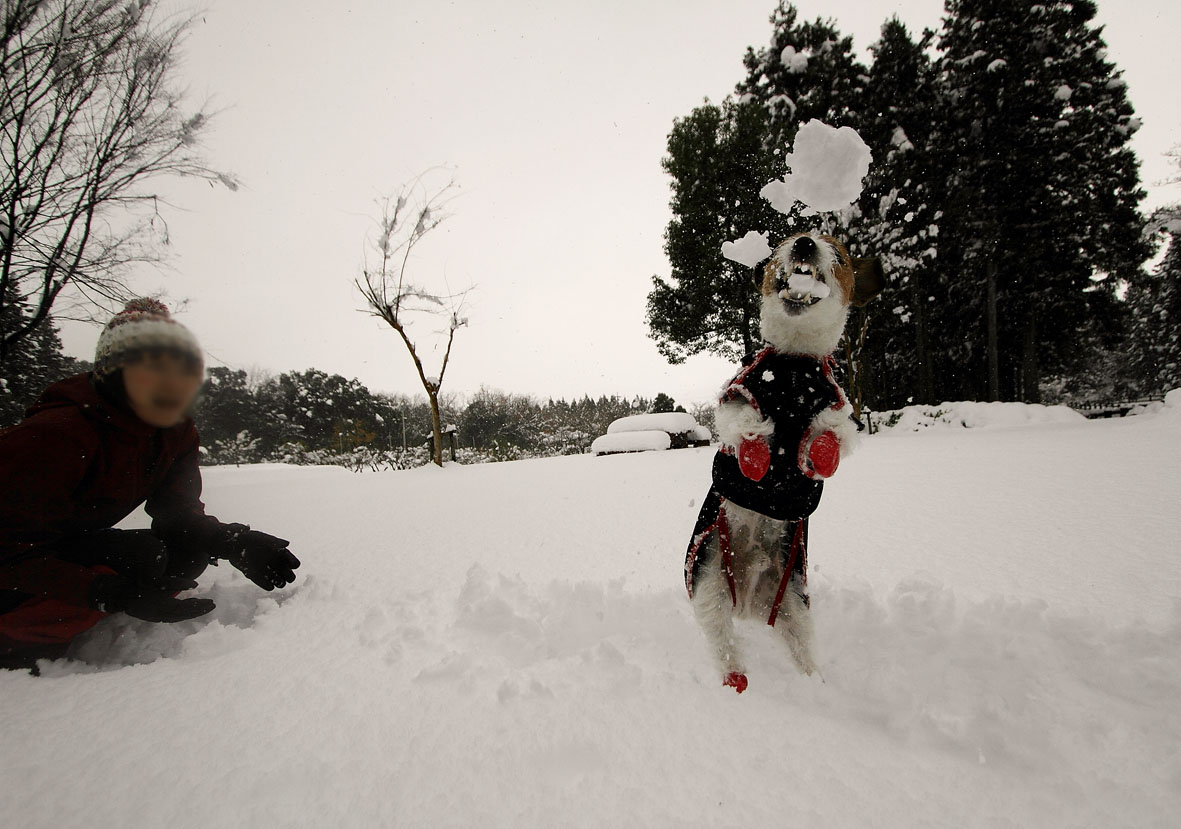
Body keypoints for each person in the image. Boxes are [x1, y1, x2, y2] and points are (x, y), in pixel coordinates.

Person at [0, 299, 300, 672]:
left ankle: (112, 606)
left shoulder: (174, 433)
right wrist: (108, 592)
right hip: (15, 562)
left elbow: (179, 515)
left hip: (57, 550)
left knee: (181, 549)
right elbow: (7, 552)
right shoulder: (56, 434)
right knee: (141, 557)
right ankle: (16, 644)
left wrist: (231, 541)